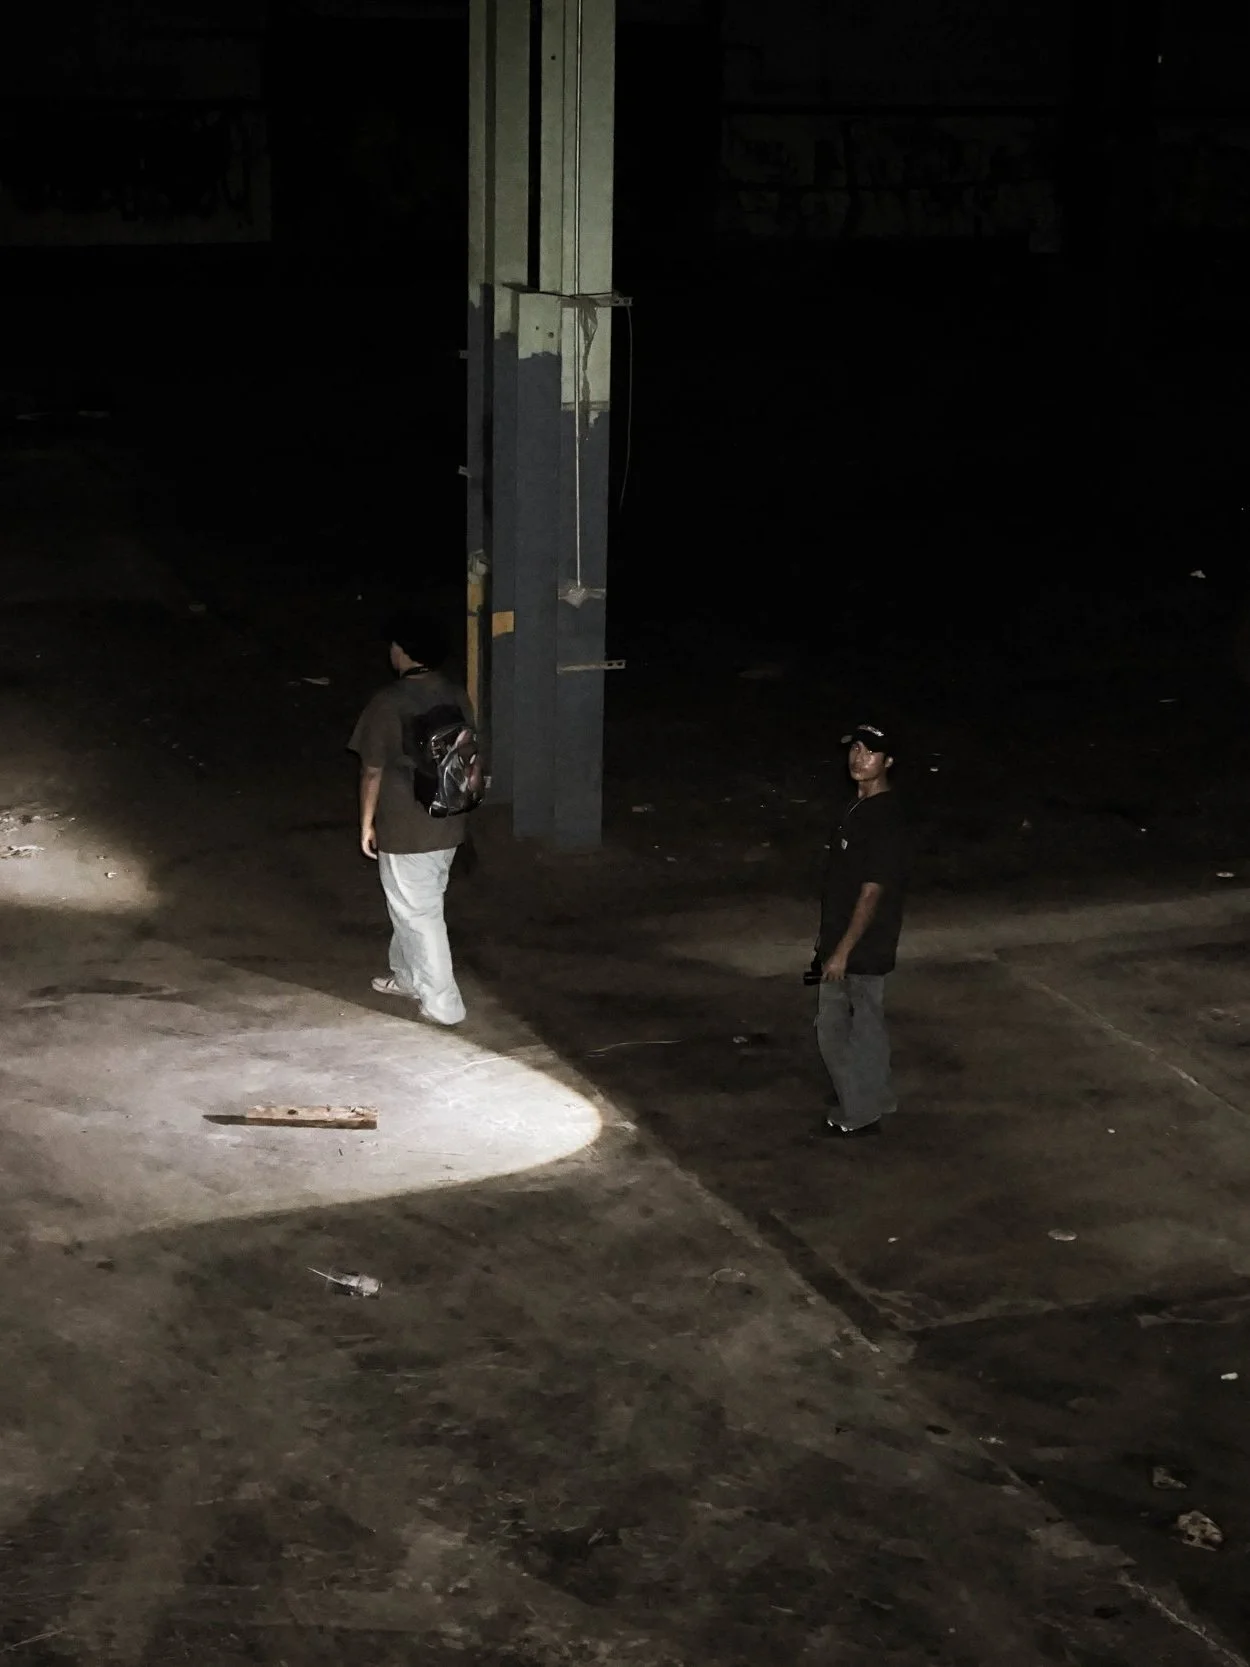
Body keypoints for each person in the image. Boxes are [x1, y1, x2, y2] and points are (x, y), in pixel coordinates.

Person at [348, 612, 473, 1025]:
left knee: (419, 914)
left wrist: (367, 822)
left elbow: (372, 769)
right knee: (413, 905)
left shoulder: (389, 702)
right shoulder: (455, 693)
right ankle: (406, 976)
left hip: (405, 827)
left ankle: (443, 1004)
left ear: (403, 652)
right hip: (449, 819)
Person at [814, 723, 910, 1137]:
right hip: (843, 939)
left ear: (888, 762)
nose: (859, 758)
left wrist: (842, 951)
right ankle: (878, 1096)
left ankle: (858, 1110)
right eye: (855, 748)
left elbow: (871, 894)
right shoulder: (856, 806)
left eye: (871, 752)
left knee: (835, 1028)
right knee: (867, 1020)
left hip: (860, 945)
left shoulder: (886, 819)